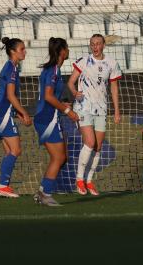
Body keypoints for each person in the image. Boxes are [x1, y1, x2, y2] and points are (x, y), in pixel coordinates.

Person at [67, 34, 122, 196]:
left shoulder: (111, 63)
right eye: (92, 44)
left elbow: (114, 88)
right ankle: (79, 179)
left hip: (101, 108)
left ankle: (89, 181)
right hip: (84, 107)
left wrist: (116, 110)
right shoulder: (84, 61)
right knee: (90, 142)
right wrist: (75, 92)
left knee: (98, 147)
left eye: (98, 44)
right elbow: (70, 82)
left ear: (103, 45)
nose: (95, 47)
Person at [33, 38, 80, 206]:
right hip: (47, 118)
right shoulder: (53, 70)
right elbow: (48, 96)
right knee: (59, 157)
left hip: (47, 117)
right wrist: (68, 110)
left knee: (61, 157)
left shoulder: (52, 69)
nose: (68, 51)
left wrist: (63, 105)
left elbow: (50, 97)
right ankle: (45, 194)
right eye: (66, 48)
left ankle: (42, 192)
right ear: (62, 51)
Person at [0, 37, 32, 198]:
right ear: (13, 51)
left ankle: (4, 186)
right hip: (2, 112)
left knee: (9, 151)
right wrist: (24, 112)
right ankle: (2, 186)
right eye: (21, 49)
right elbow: (10, 95)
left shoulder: (12, 67)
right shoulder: (11, 69)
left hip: (0, 112)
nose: (24, 51)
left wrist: (17, 112)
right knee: (16, 149)